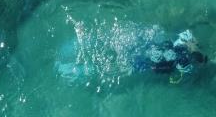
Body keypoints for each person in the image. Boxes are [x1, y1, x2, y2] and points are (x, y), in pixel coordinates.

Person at [56, 22, 207, 85]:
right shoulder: (184, 61)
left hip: (145, 46)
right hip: (143, 61)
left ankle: (86, 38)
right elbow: (185, 70)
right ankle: (71, 68)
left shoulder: (182, 43)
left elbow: (184, 37)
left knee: (115, 49)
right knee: (113, 64)